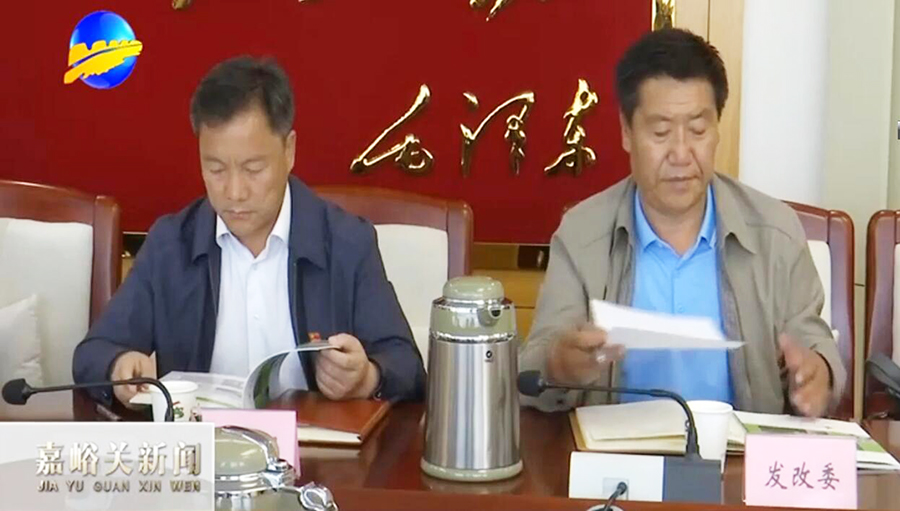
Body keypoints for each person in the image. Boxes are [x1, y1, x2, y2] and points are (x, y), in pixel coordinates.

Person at [519, 29, 844, 417]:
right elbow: (534, 364)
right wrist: (558, 365)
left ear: (717, 128)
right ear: (626, 132)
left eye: (698, 130)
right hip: (615, 451)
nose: (680, 153)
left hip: (733, 451)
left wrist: (818, 373)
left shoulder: (774, 231)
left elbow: (811, 338)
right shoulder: (582, 234)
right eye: (660, 132)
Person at [73, 56, 425, 406]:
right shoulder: (171, 244)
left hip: (312, 441)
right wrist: (118, 366)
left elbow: (406, 365)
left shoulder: (346, 242)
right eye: (216, 169)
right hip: (203, 440)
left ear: (289, 151)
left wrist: (366, 377)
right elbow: (94, 352)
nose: (234, 192)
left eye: (253, 169)